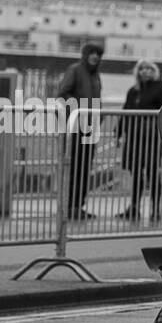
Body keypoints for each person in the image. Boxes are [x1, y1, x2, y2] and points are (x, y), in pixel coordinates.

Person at [117, 59, 162, 221]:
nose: (145, 71)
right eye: (142, 68)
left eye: (149, 68)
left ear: (154, 71)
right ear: (138, 72)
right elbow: (125, 112)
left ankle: (156, 209)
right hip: (134, 137)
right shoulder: (133, 91)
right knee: (135, 173)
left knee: (153, 173)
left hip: (151, 138)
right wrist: (119, 133)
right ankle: (134, 207)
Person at [57, 42, 103, 219]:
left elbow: (97, 99)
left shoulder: (96, 75)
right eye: (92, 53)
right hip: (76, 126)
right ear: (85, 55)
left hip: (90, 128)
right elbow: (63, 93)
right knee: (74, 167)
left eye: (98, 54)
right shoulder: (75, 70)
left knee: (84, 168)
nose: (95, 56)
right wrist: (78, 111)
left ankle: (78, 206)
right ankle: (68, 206)